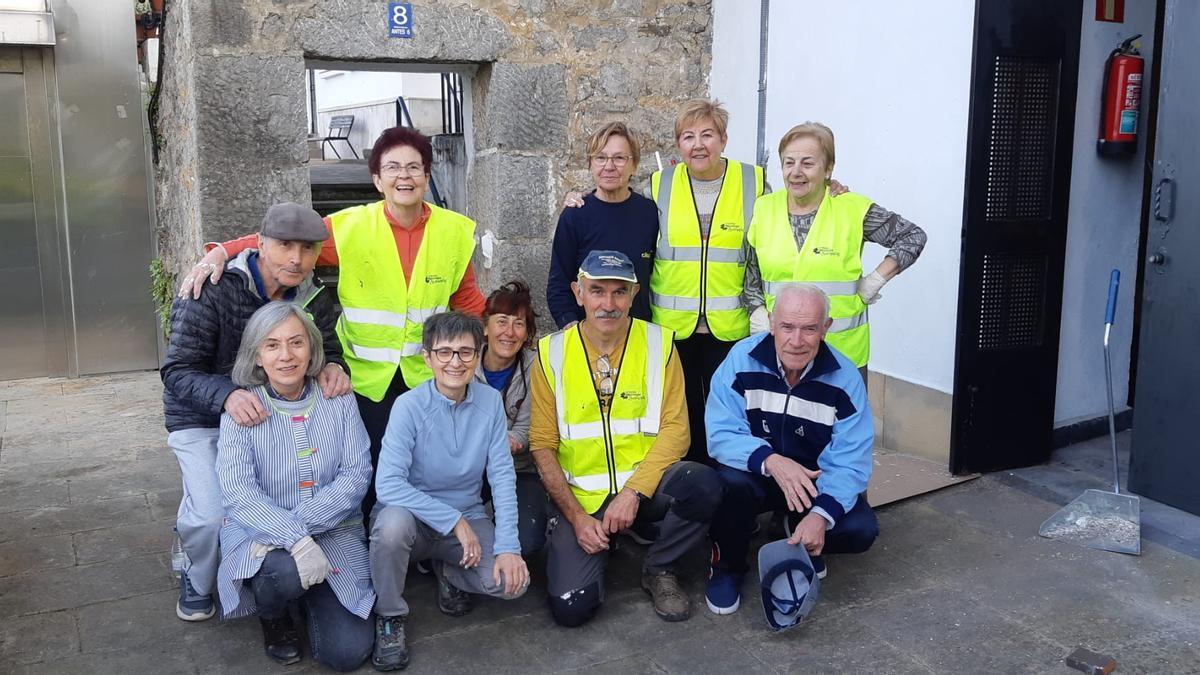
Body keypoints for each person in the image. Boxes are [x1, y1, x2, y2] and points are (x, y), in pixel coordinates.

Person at [180, 127, 488, 519]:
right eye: (392, 167)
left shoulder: (454, 231)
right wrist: (222, 251)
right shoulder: (351, 226)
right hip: (364, 376)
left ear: (428, 176)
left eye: (414, 167)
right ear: (377, 179)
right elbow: (282, 239)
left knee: (426, 467)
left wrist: (476, 360)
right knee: (370, 468)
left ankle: (422, 547)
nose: (404, 176)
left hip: (427, 375)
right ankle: (373, 546)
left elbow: (467, 304)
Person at [161, 202, 348, 622]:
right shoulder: (213, 287)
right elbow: (177, 369)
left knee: (279, 497)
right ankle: (195, 569)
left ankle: (266, 572)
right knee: (212, 514)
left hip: (270, 420)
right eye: (284, 245)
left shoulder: (314, 295)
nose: (296, 259)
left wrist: (336, 366)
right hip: (204, 418)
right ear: (260, 243)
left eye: (307, 248)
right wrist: (227, 395)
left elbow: (327, 350)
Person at [530, 250, 720, 627]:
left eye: (620, 292)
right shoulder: (550, 353)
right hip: (582, 498)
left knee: (704, 485)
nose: (608, 303)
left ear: (634, 295)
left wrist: (633, 492)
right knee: (572, 609)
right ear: (578, 293)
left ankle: (661, 567)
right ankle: (591, 542)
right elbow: (542, 445)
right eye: (597, 291)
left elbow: (677, 429)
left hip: (643, 490)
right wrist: (578, 519)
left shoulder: (660, 344)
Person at [215, 302, 374, 670]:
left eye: (296, 343)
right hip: (264, 541)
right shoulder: (242, 410)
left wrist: (294, 530)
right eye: (272, 345)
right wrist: (296, 541)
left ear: (312, 348)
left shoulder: (339, 398)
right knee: (283, 571)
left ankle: (310, 593)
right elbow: (238, 494)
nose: (285, 356)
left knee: (347, 654)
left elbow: (355, 475)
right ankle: (274, 614)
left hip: (334, 534)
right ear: (257, 355)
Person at [703, 284, 878, 616]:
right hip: (758, 473)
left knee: (860, 530)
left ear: (825, 328)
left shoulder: (846, 378)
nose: (796, 340)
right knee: (727, 485)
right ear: (771, 323)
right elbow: (720, 432)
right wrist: (770, 460)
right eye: (787, 326)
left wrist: (820, 515)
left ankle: (797, 529)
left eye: (809, 328)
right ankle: (727, 566)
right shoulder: (741, 359)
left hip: (811, 483)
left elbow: (850, 460)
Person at [369, 312, 529, 671]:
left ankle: (449, 570)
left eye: (465, 352)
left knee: (512, 583)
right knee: (390, 528)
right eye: (444, 352)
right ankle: (390, 616)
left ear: (478, 354)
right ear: (427, 358)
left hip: (468, 516)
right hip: (412, 518)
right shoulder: (408, 407)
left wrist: (508, 547)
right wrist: (453, 519)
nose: (455, 362)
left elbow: (502, 477)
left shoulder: (489, 403)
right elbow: (389, 484)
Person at [744, 122, 926, 381]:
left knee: (843, 422)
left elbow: (913, 237)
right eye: (788, 163)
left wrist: (875, 280)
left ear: (828, 169)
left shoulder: (852, 209)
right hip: (782, 353)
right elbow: (751, 273)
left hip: (842, 355)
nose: (796, 172)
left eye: (807, 164)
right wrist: (757, 311)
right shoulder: (764, 208)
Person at [646, 99, 765, 464]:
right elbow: (623, 217)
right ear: (678, 144)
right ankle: (691, 492)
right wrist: (578, 201)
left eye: (707, 135)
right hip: (672, 329)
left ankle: (727, 495)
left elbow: (778, 229)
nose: (698, 145)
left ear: (724, 140)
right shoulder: (658, 184)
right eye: (688, 136)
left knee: (728, 414)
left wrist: (831, 187)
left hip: (730, 328)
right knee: (682, 416)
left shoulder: (754, 182)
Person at [546, 121, 658, 329]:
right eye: (600, 158)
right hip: (588, 336)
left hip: (638, 335)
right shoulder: (575, 217)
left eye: (619, 158)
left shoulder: (650, 214)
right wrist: (573, 330)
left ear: (634, 165)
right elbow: (558, 284)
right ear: (590, 164)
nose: (609, 166)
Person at [474, 281, 548, 556]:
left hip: (519, 469)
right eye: (501, 321)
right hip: (469, 469)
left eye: (519, 324)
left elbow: (529, 428)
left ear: (527, 333)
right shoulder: (464, 363)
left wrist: (510, 441)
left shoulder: (536, 367)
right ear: (485, 327)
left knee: (526, 544)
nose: (509, 332)